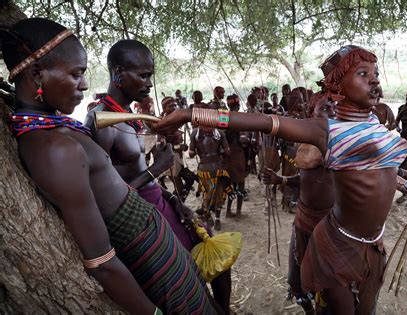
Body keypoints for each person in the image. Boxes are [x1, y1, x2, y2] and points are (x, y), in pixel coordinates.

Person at [149, 45, 407, 314]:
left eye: (375, 75)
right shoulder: (325, 130)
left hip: (373, 242)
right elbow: (263, 122)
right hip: (339, 245)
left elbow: (381, 170)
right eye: (363, 75)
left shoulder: (373, 122)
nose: (374, 81)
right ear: (337, 87)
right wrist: (189, 114)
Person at [4, 18, 218, 314]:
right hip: (147, 257)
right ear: (37, 74)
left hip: (155, 241)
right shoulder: (55, 150)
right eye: (76, 74)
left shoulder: (54, 131)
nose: (85, 84)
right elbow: (101, 263)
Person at [261, 92, 336, 314]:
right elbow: (305, 180)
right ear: (311, 113)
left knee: (330, 281)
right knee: (296, 279)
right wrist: (279, 179)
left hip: (332, 223)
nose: (331, 113)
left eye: (334, 109)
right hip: (304, 219)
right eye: (324, 108)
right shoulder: (305, 142)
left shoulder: (344, 143)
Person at [190, 115, 232, 231]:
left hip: (207, 169)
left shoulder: (195, 133)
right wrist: (223, 150)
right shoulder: (219, 133)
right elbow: (227, 152)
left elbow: (191, 153)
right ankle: (214, 217)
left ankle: (210, 216)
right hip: (216, 168)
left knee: (208, 193)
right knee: (217, 193)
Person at [225, 94, 248, 217]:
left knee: (230, 184)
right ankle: (238, 211)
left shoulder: (224, 117)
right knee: (240, 183)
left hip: (228, 154)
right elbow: (243, 140)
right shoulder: (240, 118)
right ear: (238, 105)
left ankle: (228, 211)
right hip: (238, 153)